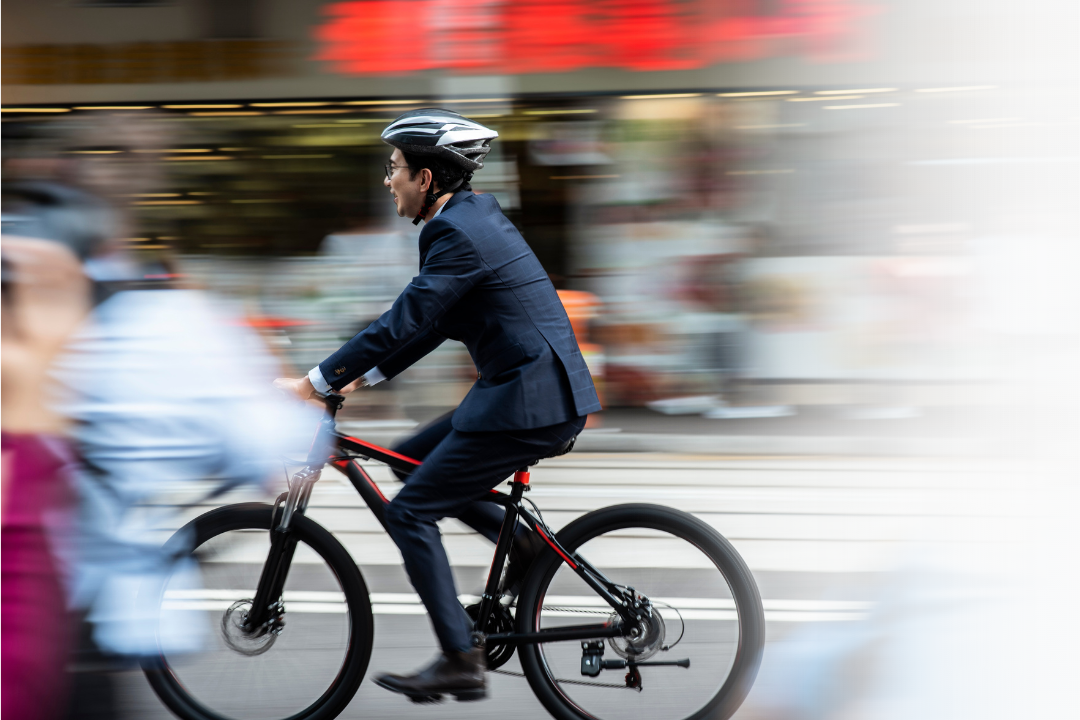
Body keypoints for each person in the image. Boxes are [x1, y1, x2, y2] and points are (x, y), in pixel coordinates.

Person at [274, 108, 601, 702]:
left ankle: (459, 658)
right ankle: (525, 550)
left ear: (426, 179)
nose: (387, 179)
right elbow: (431, 324)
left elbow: (407, 317)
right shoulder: (469, 220)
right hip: (526, 392)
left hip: (530, 400)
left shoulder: (454, 232)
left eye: (394, 168)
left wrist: (314, 383)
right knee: (408, 462)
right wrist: (355, 381)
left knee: (409, 513)